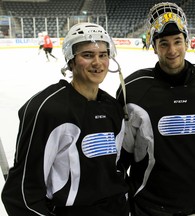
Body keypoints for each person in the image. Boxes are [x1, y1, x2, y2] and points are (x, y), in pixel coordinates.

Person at [1, 22, 129, 216]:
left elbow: (116, 170)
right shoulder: (47, 110)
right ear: (71, 60)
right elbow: (21, 195)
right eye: (87, 55)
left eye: (103, 55)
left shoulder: (113, 108)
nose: (97, 62)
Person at [116, 2, 195, 216]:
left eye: (178, 41)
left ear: (187, 42)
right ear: (153, 46)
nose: (172, 50)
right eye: (163, 43)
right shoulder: (133, 91)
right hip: (149, 207)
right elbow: (122, 156)